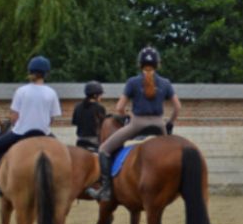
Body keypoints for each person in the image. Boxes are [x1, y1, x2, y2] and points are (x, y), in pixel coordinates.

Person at [90, 46, 180, 201]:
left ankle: (106, 190)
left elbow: (119, 108)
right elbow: (177, 107)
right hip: (160, 126)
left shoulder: (132, 82)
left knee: (104, 149)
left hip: (137, 125)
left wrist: (126, 117)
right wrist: (169, 124)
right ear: (158, 64)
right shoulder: (165, 83)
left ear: (139, 64)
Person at [0, 56, 61, 197]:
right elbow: (51, 119)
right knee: (65, 154)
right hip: (44, 133)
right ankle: (61, 186)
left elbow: (14, 117)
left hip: (21, 133)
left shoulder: (21, 91)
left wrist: (18, 123)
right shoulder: (51, 93)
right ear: (46, 73)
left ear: (30, 72)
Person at [72, 80, 108, 152]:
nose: (101, 97)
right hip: (94, 141)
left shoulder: (78, 106)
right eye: (100, 94)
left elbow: (74, 122)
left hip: (80, 140)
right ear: (95, 95)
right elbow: (103, 125)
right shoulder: (99, 108)